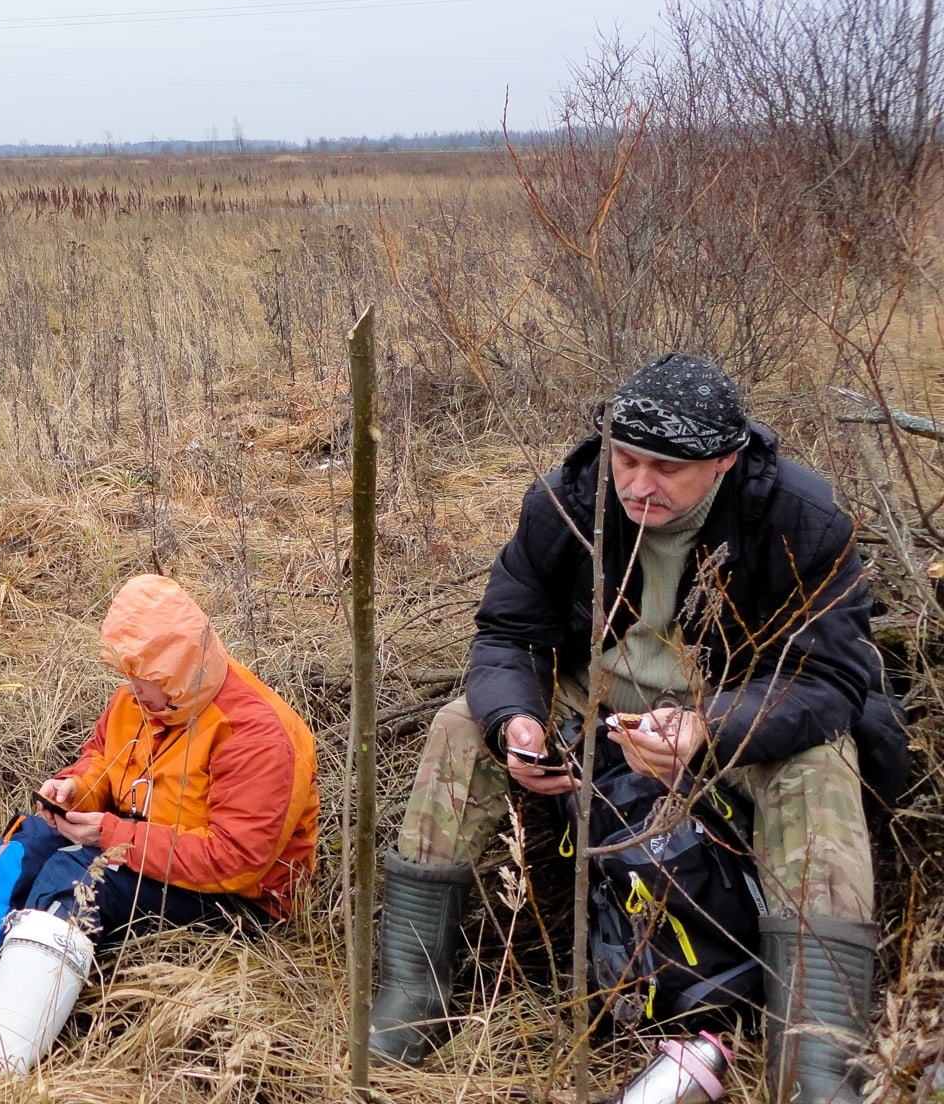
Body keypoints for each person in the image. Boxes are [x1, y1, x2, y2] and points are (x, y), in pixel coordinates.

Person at [368, 353, 905, 1104]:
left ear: (723, 461)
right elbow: (507, 634)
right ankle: (413, 996)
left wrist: (706, 728)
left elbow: (828, 680)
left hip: (729, 709)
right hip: (595, 704)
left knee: (818, 772)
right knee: (463, 725)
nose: (637, 484)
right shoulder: (567, 501)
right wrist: (515, 719)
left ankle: (814, 1061)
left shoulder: (799, 517)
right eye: (626, 458)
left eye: (665, 468)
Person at [0, 574, 319, 1078]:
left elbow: (236, 862)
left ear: (181, 674)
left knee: (78, 875)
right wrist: (75, 787)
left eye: (145, 681)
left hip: (239, 906)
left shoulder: (256, 734)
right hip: (149, 845)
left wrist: (111, 836)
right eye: (129, 675)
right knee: (28, 843)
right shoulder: (143, 697)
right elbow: (103, 757)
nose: (132, 690)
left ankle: (0, 1055)